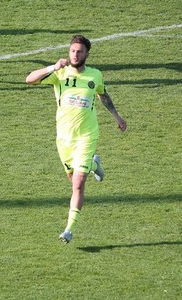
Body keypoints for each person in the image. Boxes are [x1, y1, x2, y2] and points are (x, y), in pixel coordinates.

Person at [25, 35, 127, 244]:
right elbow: (29, 79)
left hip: (87, 135)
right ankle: (93, 163)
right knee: (73, 180)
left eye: (79, 51)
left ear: (87, 54)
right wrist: (52, 68)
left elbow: (103, 95)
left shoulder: (95, 75)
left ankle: (68, 230)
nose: (75, 54)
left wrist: (117, 116)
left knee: (78, 185)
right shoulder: (60, 73)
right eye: (72, 51)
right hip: (64, 138)